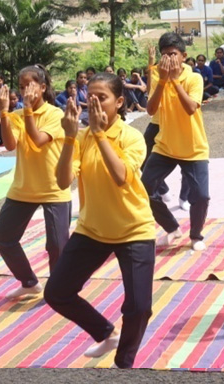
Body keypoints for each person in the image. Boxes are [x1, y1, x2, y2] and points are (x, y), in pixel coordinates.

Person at [46, 73, 155, 369]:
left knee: (139, 308)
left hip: (134, 229)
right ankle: (105, 333)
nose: (93, 103)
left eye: (102, 98)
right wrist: (70, 137)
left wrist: (99, 134)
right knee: (57, 293)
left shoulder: (131, 137)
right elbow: (61, 180)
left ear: (120, 103)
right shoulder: (81, 137)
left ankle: (124, 363)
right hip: (92, 230)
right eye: (89, 97)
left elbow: (120, 176)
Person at [0, 65, 70, 298]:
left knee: (57, 245)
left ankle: (58, 290)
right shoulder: (16, 115)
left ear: (43, 87)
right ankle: (29, 281)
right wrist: (4, 113)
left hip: (53, 188)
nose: (25, 90)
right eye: (22, 85)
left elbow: (37, 140)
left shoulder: (55, 114)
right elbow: (9, 145)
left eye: (30, 85)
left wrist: (25, 110)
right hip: (23, 188)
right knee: (3, 237)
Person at [142, 33, 210, 251]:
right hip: (165, 146)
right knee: (144, 189)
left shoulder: (194, 78)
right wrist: (162, 80)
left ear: (183, 56)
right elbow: (150, 109)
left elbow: (191, 108)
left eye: (173, 54)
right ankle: (172, 227)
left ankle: (196, 236)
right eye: (164, 55)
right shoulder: (157, 76)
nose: (168, 59)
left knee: (201, 196)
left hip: (193, 147)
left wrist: (174, 81)